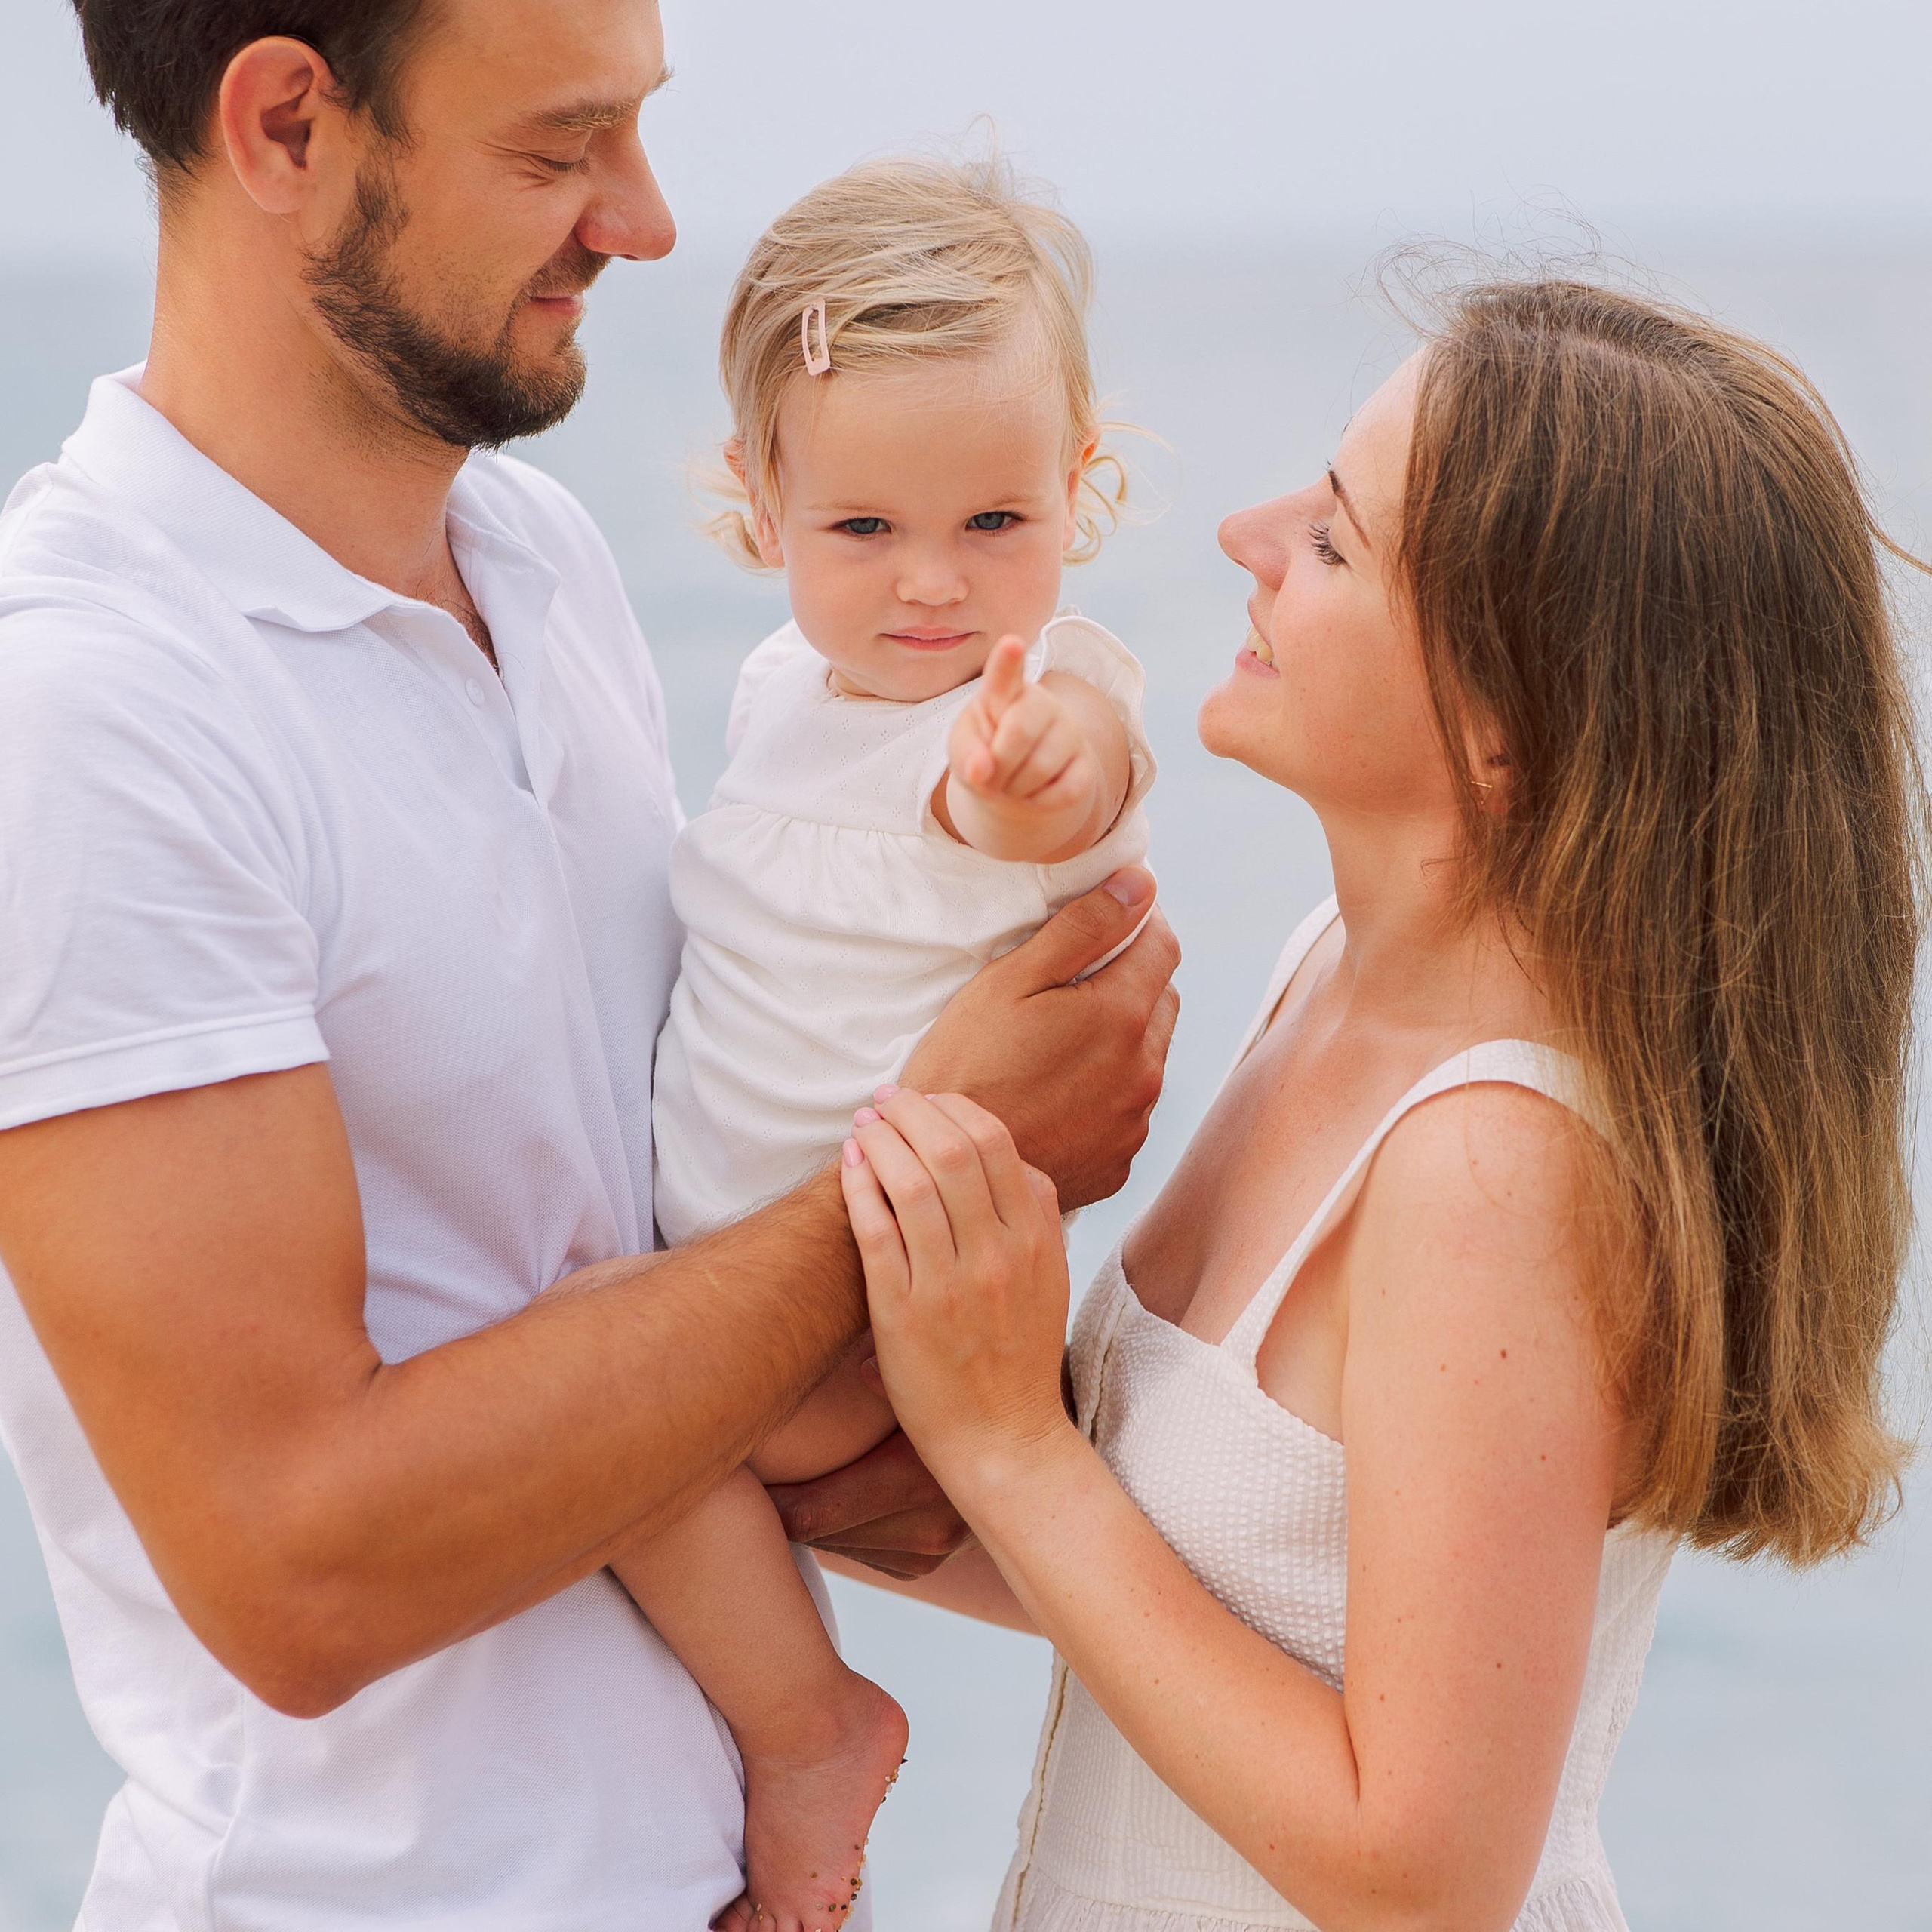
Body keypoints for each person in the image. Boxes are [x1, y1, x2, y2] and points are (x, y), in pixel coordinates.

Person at [0, 4, 1180, 1928]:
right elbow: (300, 1572)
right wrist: (942, 1147)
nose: (641, 223)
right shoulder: (89, 710)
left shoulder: (539, 565)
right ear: (291, 123)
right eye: (558, 150)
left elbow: (673, 1279)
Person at [834, 280, 1924, 1930]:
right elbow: (1206, 1591)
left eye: (1334, 542)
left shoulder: (1497, 1157)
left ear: (1505, 726)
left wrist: (1005, 1440)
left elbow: (1420, 1874)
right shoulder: (1323, 975)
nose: (1245, 535)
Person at [621, 155, 1155, 1930]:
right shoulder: (784, 688)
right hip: (742, 1259)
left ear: (1075, 496)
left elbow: (1068, 774)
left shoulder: (1027, 700)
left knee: (614, 1442)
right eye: (862, 531)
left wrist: (1026, 780)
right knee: (596, 1414)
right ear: (760, 504)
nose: (932, 587)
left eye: (994, 523)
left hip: (873, 1295)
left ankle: (805, 1730)